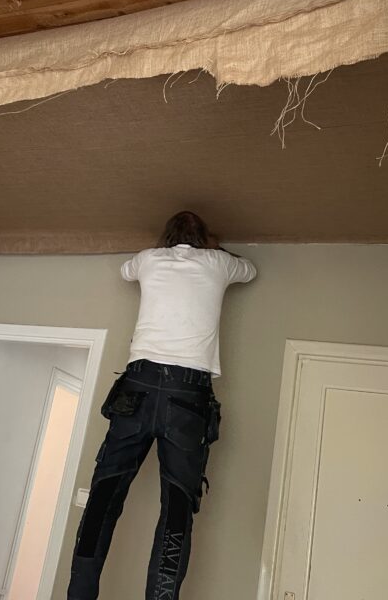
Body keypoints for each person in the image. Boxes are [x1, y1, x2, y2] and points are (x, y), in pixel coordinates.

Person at [67, 211, 257, 600]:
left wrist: (159, 254)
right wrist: (216, 250)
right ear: (204, 239)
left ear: (166, 237)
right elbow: (250, 271)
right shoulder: (218, 262)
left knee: (104, 497)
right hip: (187, 396)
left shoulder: (149, 259)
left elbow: (124, 272)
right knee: (176, 511)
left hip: (137, 387)